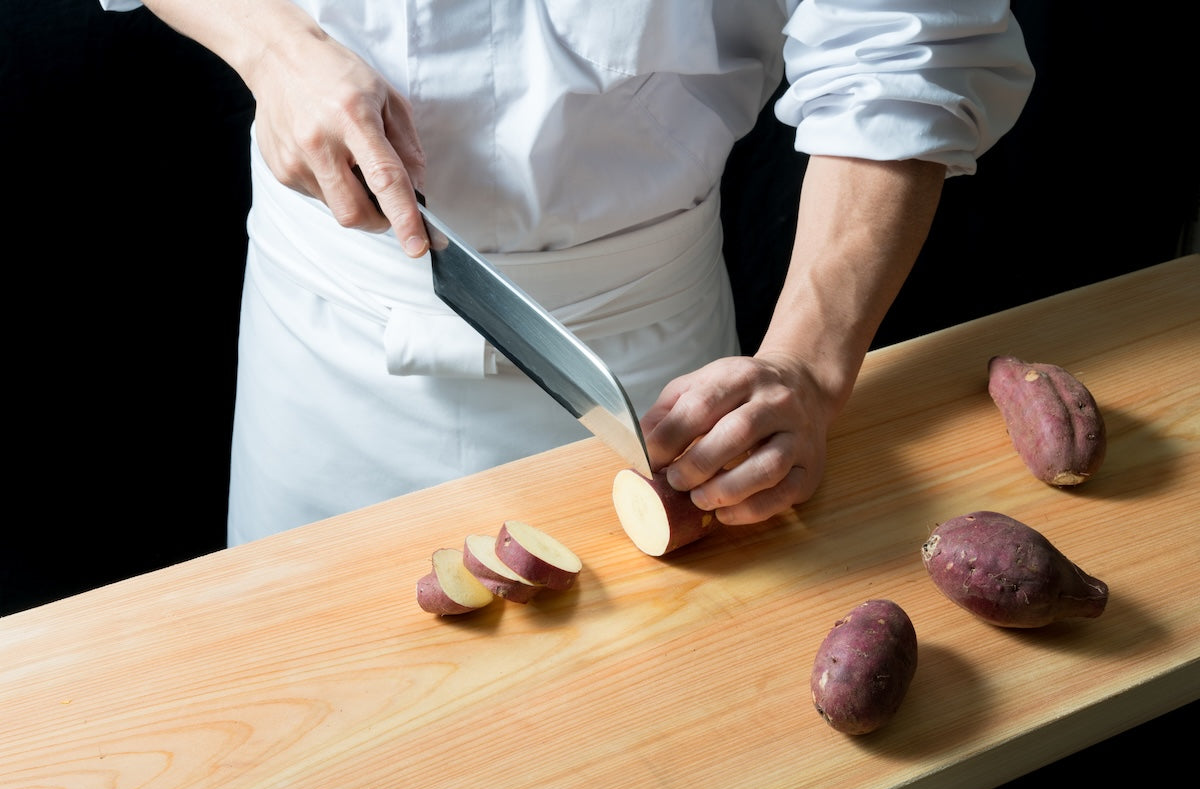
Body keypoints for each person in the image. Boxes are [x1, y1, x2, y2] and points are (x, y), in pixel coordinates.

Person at [98, 0, 1034, 547]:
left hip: (656, 380)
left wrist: (809, 369)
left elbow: (903, 40)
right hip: (320, 341)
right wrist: (272, 46)